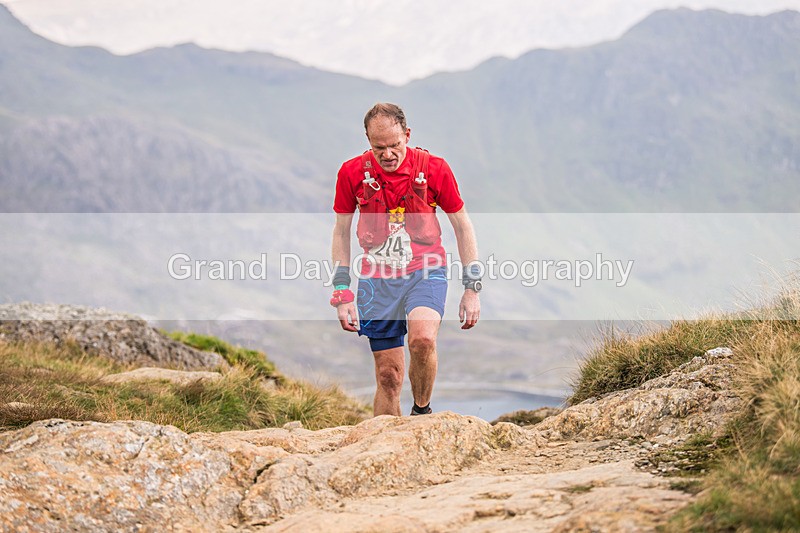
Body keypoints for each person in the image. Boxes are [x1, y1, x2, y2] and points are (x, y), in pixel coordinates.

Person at [330, 102, 482, 417]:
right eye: (378, 147)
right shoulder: (351, 173)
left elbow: (463, 226)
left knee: (423, 339)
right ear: (368, 141)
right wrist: (342, 292)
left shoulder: (435, 168)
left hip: (426, 270)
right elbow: (341, 233)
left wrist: (472, 288)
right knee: (388, 375)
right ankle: (382, 447)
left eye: (395, 145)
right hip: (376, 280)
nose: (387, 154)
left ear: (407, 135)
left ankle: (420, 412)